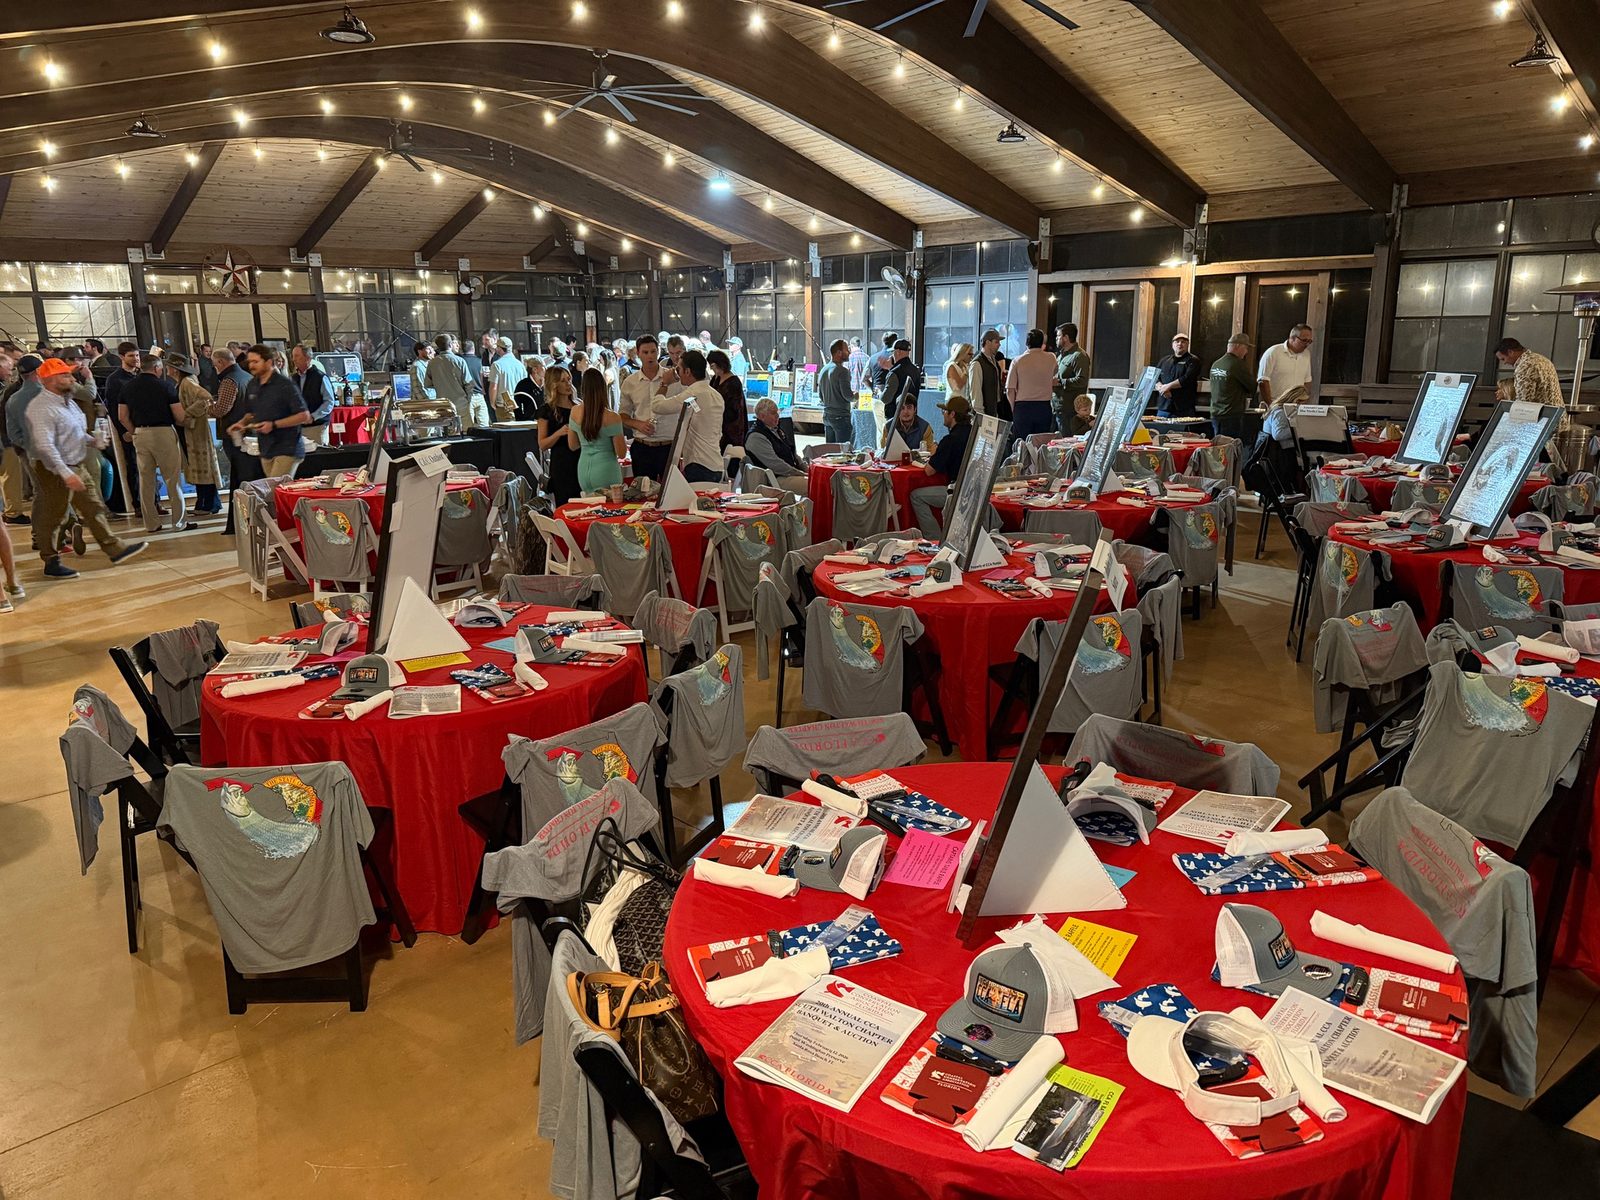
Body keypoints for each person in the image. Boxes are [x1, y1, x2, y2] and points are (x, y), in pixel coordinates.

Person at [26, 358, 145, 578]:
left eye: (70, 374)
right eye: (65, 375)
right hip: (54, 469)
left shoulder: (67, 402)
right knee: (54, 516)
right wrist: (66, 474)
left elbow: (76, 433)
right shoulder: (41, 407)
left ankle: (114, 549)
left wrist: (92, 441)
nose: (71, 379)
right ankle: (51, 561)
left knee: (93, 506)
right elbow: (45, 446)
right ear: (49, 380)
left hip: (75, 463)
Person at [119, 352, 192, 534]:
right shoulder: (165, 386)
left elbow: (122, 416)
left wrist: (134, 431)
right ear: (157, 368)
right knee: (172, 479)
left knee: (145, 480)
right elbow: (180, 416)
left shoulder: (127, 387)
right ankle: (179, 522)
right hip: (163, 432)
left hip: (140, 433)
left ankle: (151, 523)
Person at [229, 343, 310, 479]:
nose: (251, 365)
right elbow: (251, 413)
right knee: (271, 487)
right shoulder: (252, 384)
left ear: (268, 362)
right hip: (266, 448)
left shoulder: (284, 384)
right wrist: (241, 424)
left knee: (275, 487)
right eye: (250, 362)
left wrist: (274, 425)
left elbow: (303, 415)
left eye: (256, 362)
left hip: (287, 447)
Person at [910, 395, 973, 534]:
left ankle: (933, 538)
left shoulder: (950, 440)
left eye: (944, 412)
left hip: (957, 492)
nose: (943, 415)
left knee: (916, 496)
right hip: (975, 491)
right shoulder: (974, 434)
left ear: (952, 414)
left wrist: (934, 453)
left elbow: (929, 471)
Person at [168, 353, 221, 516]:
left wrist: (186, 414)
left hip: (196, 431)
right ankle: (206, 502)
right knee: (198, 466)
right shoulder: (184, 382)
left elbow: (205, 398)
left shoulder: (187, 382)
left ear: (175, 369)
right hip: (191, 431)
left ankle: (207, 504)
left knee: (202, 466)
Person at [210, 347, 256, 534]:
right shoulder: (247, 376)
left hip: (235, 435)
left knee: (239, 479)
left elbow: (222, 409)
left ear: (221, 362)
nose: (215, 369)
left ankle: (240, 523)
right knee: (246, 478)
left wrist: (207, 406)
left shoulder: (229, 380)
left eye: (215, 365)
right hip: (250, 434)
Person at [619, 335, 677, 483]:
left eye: (653, 351)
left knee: (671, 491)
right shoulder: (630, 382)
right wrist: (638, 424)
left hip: (668, 446)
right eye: (645, 352)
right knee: (642, 491)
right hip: (642, 447)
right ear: (638, 353)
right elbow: (623, 415)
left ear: (658, 352)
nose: (650, 356)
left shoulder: (672, 378)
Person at [567, 367, 626, 495]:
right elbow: (621, 453)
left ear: (583, 389)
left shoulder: (575, 412)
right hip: (606, 470)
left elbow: (572, 445)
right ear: (603, 388)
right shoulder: (612, 417)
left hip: (584, 469)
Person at [674, 349, 726, 485]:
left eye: (678, 370)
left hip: (698, 463)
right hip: (715, 462)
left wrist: (664, 384)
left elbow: (659, 407)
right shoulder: (716, 395)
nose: (677, 374)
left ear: (687, 371)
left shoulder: (693, 393)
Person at [102, 341, 142, 514]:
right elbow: (113, 408)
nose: (136, 359)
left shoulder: (141, 375)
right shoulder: (115, 380)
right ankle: (138, 504)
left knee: (149, 466)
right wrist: (123, 431)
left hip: (144, 425)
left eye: (137, 355)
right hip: (127, 427)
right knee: (133, 466)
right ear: (122, 357)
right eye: (131, 356)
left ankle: (154, 501)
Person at [534, 364, 581, 505]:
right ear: (554, 384)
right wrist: (558, 434)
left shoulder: (578, 406)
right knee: (566, 503)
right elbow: (542, 444)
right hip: (562, 462)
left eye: (569, 379)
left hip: (582, 458)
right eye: (563, 381)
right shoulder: (547, 411)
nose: (568, 384)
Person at [745, 397, 807, 492]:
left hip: (787, 474)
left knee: (819, 480)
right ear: (762, 416)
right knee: (816, 484)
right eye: (773, 413)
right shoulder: (756, 436)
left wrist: (806, 469)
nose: (778, 415)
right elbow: (775, 464)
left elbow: (792, 453)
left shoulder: (775, 430)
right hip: (773, 480)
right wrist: (800, 473)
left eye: (777, 412)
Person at [1007, 328, 1058, 438]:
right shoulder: (1051, 358)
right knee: (1040, 442)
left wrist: (1013, 409)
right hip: (1044, 407)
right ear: (1042, 343)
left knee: (1021, 443)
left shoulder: (1017, 361)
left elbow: (1010, 390)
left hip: (1022, 407)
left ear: (1026, 343)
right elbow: (1054, 374)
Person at [1208, 333, 1257, 441]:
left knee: (1219, 445)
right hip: (1231, 415)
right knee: (1230, 447)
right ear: (1238, 346)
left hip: (1216, 413)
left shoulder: (1216, 364)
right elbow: (1252, 386)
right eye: (1246, 348)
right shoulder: (1237, 364)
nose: (1246, 352)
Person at [0, 352, 31, 526]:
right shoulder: (7, 390)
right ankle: (12, 512)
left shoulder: (6, 387)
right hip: (5, 438)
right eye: (9, 368)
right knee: (11, 475)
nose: (11, 372)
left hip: (5, 437)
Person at [707, 348, 747, 480]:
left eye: (712, 366)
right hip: (717, 425)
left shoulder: (734, 382)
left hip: (731, 427)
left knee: (730, 462)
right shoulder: (715, 379)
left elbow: (735, 409)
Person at [1494, 338, 1563, 409]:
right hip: (1556, 412)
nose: (1505, 363)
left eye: (1503, 359)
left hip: (1542, 413)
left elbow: (1523, 401)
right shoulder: (1542, 359)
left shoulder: (1525, 366)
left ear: (1510, 352)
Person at [1257, 324, 1314, 409]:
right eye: (1304, 340)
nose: (1307, 344)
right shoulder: (1273, 352)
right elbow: (1263, 380)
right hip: (1276, 405)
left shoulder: (1306, 354)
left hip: (1296, 407)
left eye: (1309, 341)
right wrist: (1270, 405)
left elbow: (1307, 380)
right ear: (1292, 338)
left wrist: (1304, 401)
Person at [290, 344, 336, 447]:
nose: (293, 359)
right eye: (293, 356)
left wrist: (313, 416)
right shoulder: (293, 379)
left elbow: (329, 402)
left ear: (307, 358)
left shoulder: (320, 377)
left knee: (318, 455)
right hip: (298, 428)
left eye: (297, 356)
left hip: (317, 427)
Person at [424, 333, 472, 429]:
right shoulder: (460, 361)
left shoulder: (432, 363)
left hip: (443, 405)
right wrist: (468, 400)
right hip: (461, 403)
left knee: (448, 433)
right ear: (450, 344)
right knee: (466, 431)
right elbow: (468, 383)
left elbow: (427, 384)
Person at [1053, 324, 1092, 437]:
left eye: (1058, 336)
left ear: (1066, 337)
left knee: (1067, 441)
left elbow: (1082, 380)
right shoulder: (1061, 356)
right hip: (1057, 407)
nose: (1056, 339)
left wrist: (1060, 382)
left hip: (1069, 410)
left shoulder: (1079, 356)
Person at [1154, 333, 1201, 418]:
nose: (1180, 344)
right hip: (1163, 408)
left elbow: (1186, 379)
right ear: (1172, 345)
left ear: (1188, 344)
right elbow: (1155, 377)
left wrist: (1168, 387)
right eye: (1177, 341)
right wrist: (1162, 389)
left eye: (1183, 342)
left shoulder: (1193, 361)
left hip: (1183, 409)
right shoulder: (1164, 360)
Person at [818, 338, 854, 446]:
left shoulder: (824, 370)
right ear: (839, 353)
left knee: (831, 451)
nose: (849, 352)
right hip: (841, 417)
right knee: (843, 451)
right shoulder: (842, 371)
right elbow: (848, 396)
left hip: (827, 416)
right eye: (847, 350)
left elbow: (821, 396)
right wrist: (856, 396)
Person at [486, 335, 528, 422]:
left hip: (504, 407)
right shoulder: (520, 365)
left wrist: (492, 403)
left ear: (500, 348)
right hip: (520, 405)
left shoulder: (497, 365)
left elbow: (493, 387)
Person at [973, 329, 1003, 419]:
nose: (999, 345)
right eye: (996, 342)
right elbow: (976, 392)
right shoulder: (977, 363)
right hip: (983, 413)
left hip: (993, 410)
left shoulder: (994, 361)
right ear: (987, 342)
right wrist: (980, 414)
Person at [513, 356, 546, 422]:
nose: (546, 369)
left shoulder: (548, 384)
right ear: (535, 369)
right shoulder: (522, 386)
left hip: (546, 422)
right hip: (529, 423)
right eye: (543, 367)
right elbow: (517, 408)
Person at [944, 342, 974, 410]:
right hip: (953, 402)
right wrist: (965, 373)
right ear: (962, 353)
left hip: (963, 401)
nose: (971, 356)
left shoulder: (965, 366)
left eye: (972, 354)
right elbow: (958, 387)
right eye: (969, 354)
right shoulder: (952, 366)